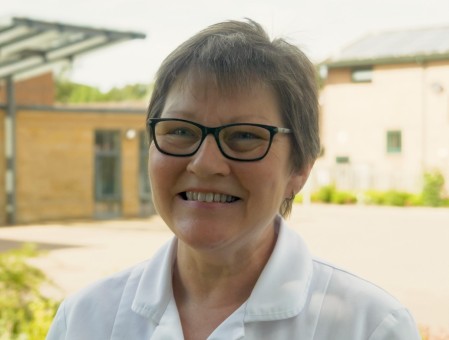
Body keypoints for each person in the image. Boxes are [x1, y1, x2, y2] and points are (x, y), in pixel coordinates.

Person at [47, 19, 420, 339]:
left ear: (301, 167)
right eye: (180, 131)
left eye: (244, 136)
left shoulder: (370, 327)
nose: (205, 164)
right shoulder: (85, 320)